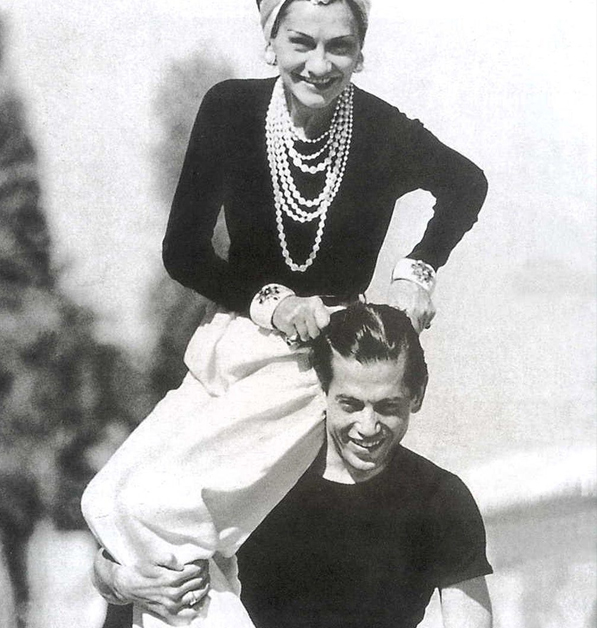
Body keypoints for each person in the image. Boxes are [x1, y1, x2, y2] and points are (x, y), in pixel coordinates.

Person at [82, 1, 488, 626]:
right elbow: (183, 251)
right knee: (106, 500)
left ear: (360, 52)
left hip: (313, 361)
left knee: (163, 512)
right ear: (270, 39)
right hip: (231, 342)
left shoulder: (381, 130)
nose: (319, 65)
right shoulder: (230, 109)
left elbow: (466, 183)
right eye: (302, 42)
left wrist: (417, 269)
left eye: (339, 46)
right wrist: (269, 301)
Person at [92, 304, 493, 628]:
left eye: (388, 407)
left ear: (417, 395)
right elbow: (129, 542)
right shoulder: (256, 472)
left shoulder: (441, 500)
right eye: (350, 405)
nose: (368, 426)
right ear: (323, 389)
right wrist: (122, 583)